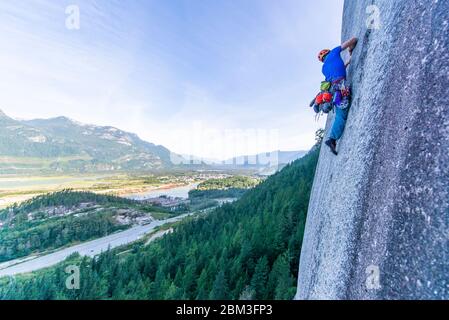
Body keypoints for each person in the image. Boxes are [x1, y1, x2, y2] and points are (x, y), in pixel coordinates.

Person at [318, 37, 358, 155]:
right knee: (341, 114)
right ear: (328, 52)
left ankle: (332, 139)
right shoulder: (334, 51)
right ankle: (332, 139)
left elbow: (335, 73)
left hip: (334, 89)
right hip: (340, 86)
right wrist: (351, 50)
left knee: (339, 114)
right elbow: (353, 39)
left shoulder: (324, 68)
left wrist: (346, 63)